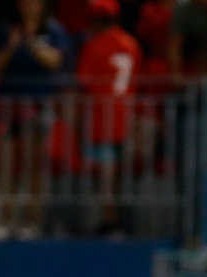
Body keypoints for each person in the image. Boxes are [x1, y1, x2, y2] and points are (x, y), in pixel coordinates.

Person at [0, 0, 70, 240]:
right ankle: (6, 219)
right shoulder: (6, 30)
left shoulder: (53, 30)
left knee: (35, 165)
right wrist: (12, 46)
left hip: (39, 105)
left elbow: (55, 62)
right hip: (9, 105)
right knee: (6, 165)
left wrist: (32, 42)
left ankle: (32, 221)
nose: (29, 5)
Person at [76, 0, 142, 236]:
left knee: (106, 178)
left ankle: (110, 222)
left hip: (102, 120)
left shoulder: (94, 45)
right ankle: (114, 222)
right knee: (117, 176)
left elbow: (83, 81)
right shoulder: (130, 43)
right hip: (126, 117)